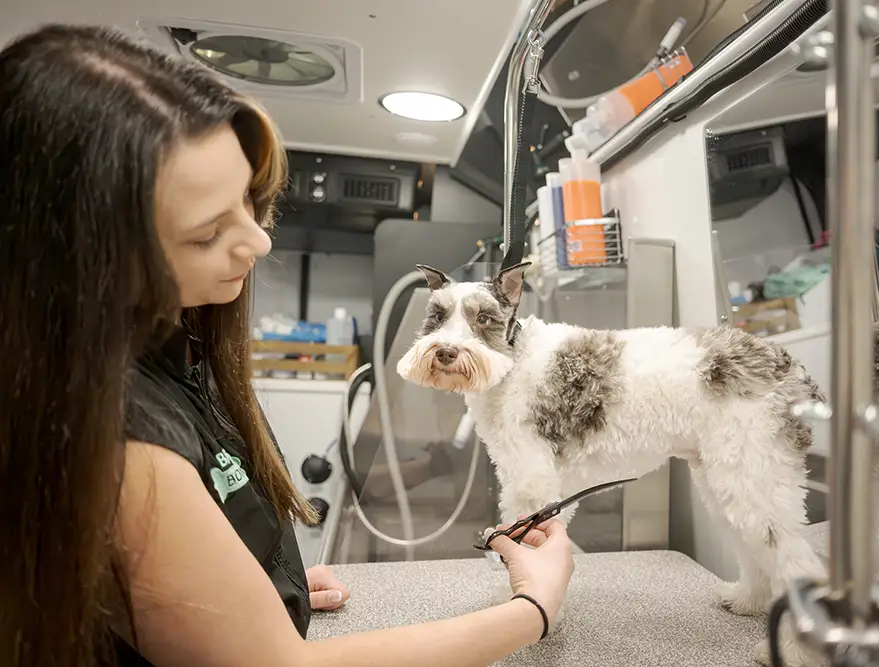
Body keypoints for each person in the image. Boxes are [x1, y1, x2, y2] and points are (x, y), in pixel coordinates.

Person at [0, 23, 575, 667]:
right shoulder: (121, 437)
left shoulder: (177, 348)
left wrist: (269, 587)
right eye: (207, 231)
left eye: (250, 202)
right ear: (79, 259)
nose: (259, 242)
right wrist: (534, 608)